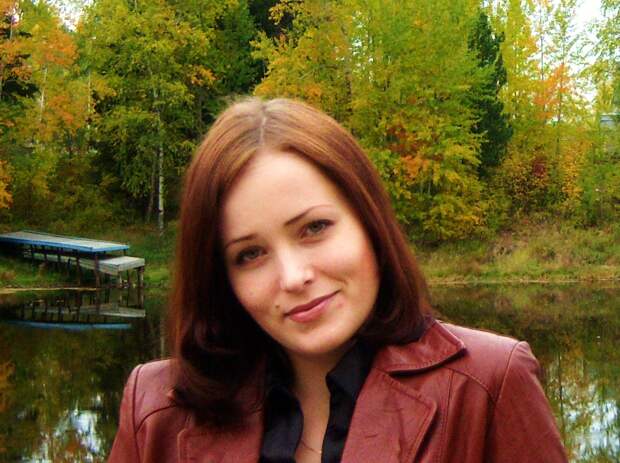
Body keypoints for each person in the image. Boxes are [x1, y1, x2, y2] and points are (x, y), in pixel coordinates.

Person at [108, 98, 568, 462]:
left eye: (314, 228)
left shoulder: (487, 386)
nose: (293, 277)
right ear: (220, 276)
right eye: (250, 254)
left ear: (369, 221)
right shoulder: (155, 409)